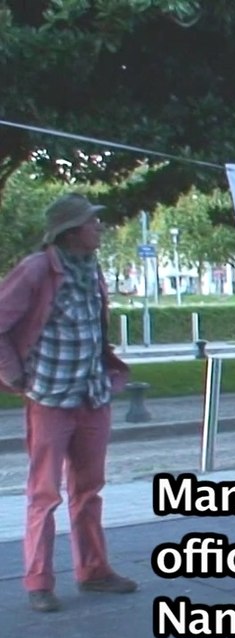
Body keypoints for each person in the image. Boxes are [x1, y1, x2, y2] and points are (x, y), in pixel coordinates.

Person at [0, 193, 136, 613]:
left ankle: (94, 571)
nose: (99, 227)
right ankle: (38, 581)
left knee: (88, 489)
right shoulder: (37, 269)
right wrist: (14, 376)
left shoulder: (91, 269)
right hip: (50, 399)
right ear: (71, 231)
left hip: (92, 396)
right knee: (45, 494)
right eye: (92, 222)